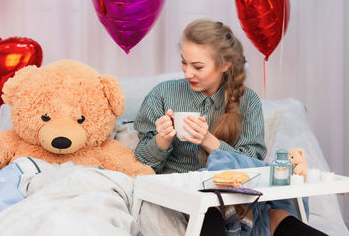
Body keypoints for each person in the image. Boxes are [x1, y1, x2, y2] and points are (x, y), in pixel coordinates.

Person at [133, 19, 327, 236]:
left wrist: (209, 142)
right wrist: (162, 140)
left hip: (238, 198)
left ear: (224, 65)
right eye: (183, 63)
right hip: (190, 198)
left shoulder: (248, 102)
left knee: (279, 216)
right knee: (208, 207)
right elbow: (139, 164)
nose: (187, 73)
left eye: (197, 67)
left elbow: (253, 166)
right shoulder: (163, 94)